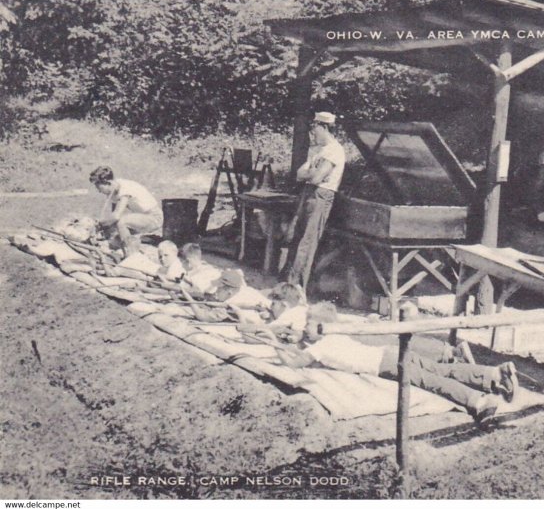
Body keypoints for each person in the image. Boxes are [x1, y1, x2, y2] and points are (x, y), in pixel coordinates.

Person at [272, 306, 520, 424]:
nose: (304, 328)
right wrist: (296, 340)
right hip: (388, 353)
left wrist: (273, 344)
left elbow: (295, 363)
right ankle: (493, 374)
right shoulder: (335, 335)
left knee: (432, 381)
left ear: (319, 328)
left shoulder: (320, 346)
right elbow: (307, 345)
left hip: (385, 363)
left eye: (307, 324)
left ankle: (479, 401)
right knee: (441, 371)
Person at [282, 111, 346, 289]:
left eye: (315, 129)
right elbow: (298, 174)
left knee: (307, 242)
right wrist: (311, 174)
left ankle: (296, 287)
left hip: (321, 195)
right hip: (309, 193)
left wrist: (310, 173)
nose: (313, 133)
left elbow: (317, 178)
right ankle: (287, 282)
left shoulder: (335, 150)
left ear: (325, 127)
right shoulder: (319, 150)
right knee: (296, 236)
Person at [89, 166, 163, 257]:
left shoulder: (124, 188)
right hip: (142, 218)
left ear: (107, 183)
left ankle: (131, 255)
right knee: (114, 241)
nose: (99, 191)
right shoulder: (113, 190)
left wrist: (99, 224)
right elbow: (113, 217)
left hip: (154, 217)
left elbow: (116, 216)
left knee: (122, 222)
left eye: (99, 188)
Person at [181, 269, 271, 324]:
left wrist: (187, 296)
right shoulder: (245, 290)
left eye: (219, 289)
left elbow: (202, 317)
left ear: (230, 292)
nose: (216, 291)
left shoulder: (229, 306)